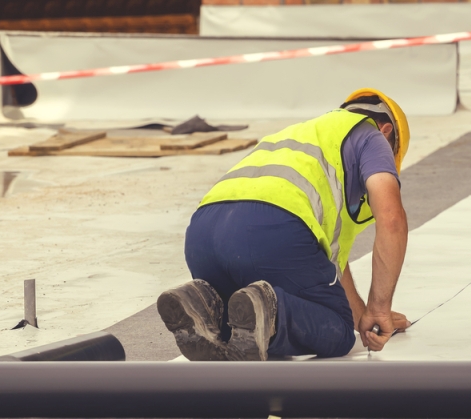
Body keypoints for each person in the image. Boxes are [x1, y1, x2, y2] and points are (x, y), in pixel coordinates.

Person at [156, 88, 411, 361]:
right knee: (336, 330)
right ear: (386, 131)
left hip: (203, 234)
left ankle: (203, 302)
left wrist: (365, 318)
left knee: (242, 318)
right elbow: (392, 220)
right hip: (272, 229)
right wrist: (380, 311)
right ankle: (268, 309)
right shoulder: (373, 135)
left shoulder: (296, 135)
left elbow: (332, 268)